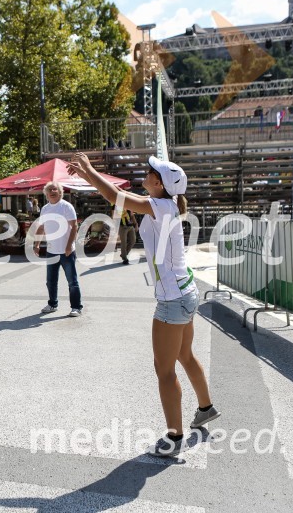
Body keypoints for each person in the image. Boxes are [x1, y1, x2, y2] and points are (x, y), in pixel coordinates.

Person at [67, 153, 219, 457]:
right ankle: (206, 408)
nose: (145, 173)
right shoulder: (165, 204)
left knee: (164, 370)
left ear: (159, 183)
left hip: (173, 299)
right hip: (186, 291)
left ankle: (174, 438)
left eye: (151, 172)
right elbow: (121, 197)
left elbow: (115, 197)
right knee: (185, 356)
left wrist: (89, 171)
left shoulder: (160, 206)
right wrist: (89, 175)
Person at [33, 182, 83, 317]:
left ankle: (76, 307)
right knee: (50, 281)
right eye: (50, 190)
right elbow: (41, 227)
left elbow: (74, 227)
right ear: (46, 194)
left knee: (72, 281)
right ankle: (52, 304)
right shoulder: (45, 209)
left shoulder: (66, 207)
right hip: (51, 251)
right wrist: (36, 244)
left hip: (66, 251)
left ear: (60, 192)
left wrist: (68, 246)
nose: (52, 191)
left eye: (55, 189)